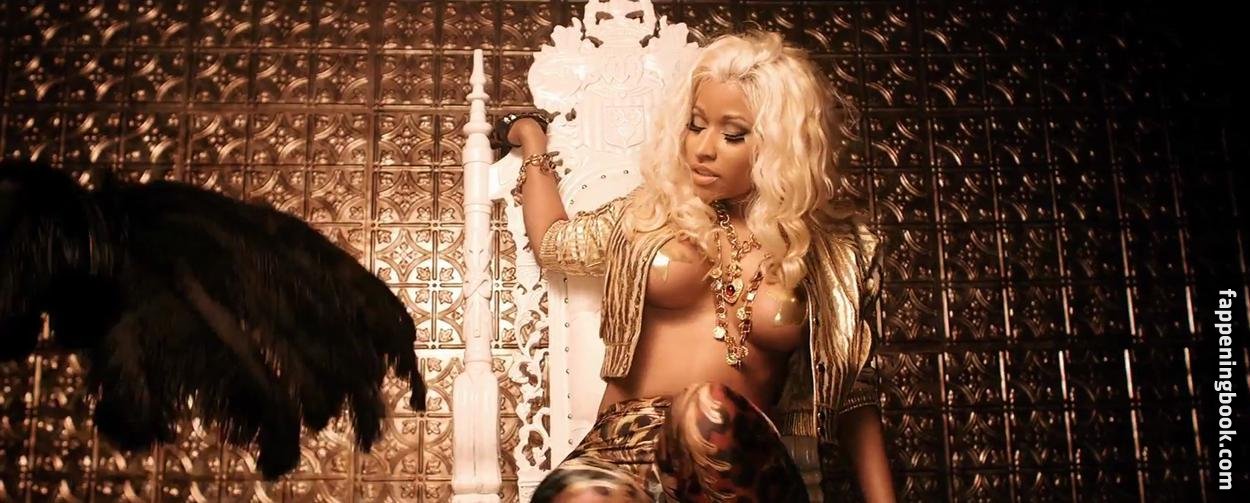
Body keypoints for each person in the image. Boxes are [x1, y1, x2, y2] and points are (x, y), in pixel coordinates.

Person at [499, 31, 895, 502]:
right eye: (695, 125)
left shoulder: (833, 250)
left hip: (739, 462)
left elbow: (854, 395)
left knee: (704, 411)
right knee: (583, 496)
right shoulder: (648, 215)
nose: (703, 149)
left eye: (732, 134)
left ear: (782, 145)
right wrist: (533, 141)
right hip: (623, 448)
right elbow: (554, 242)